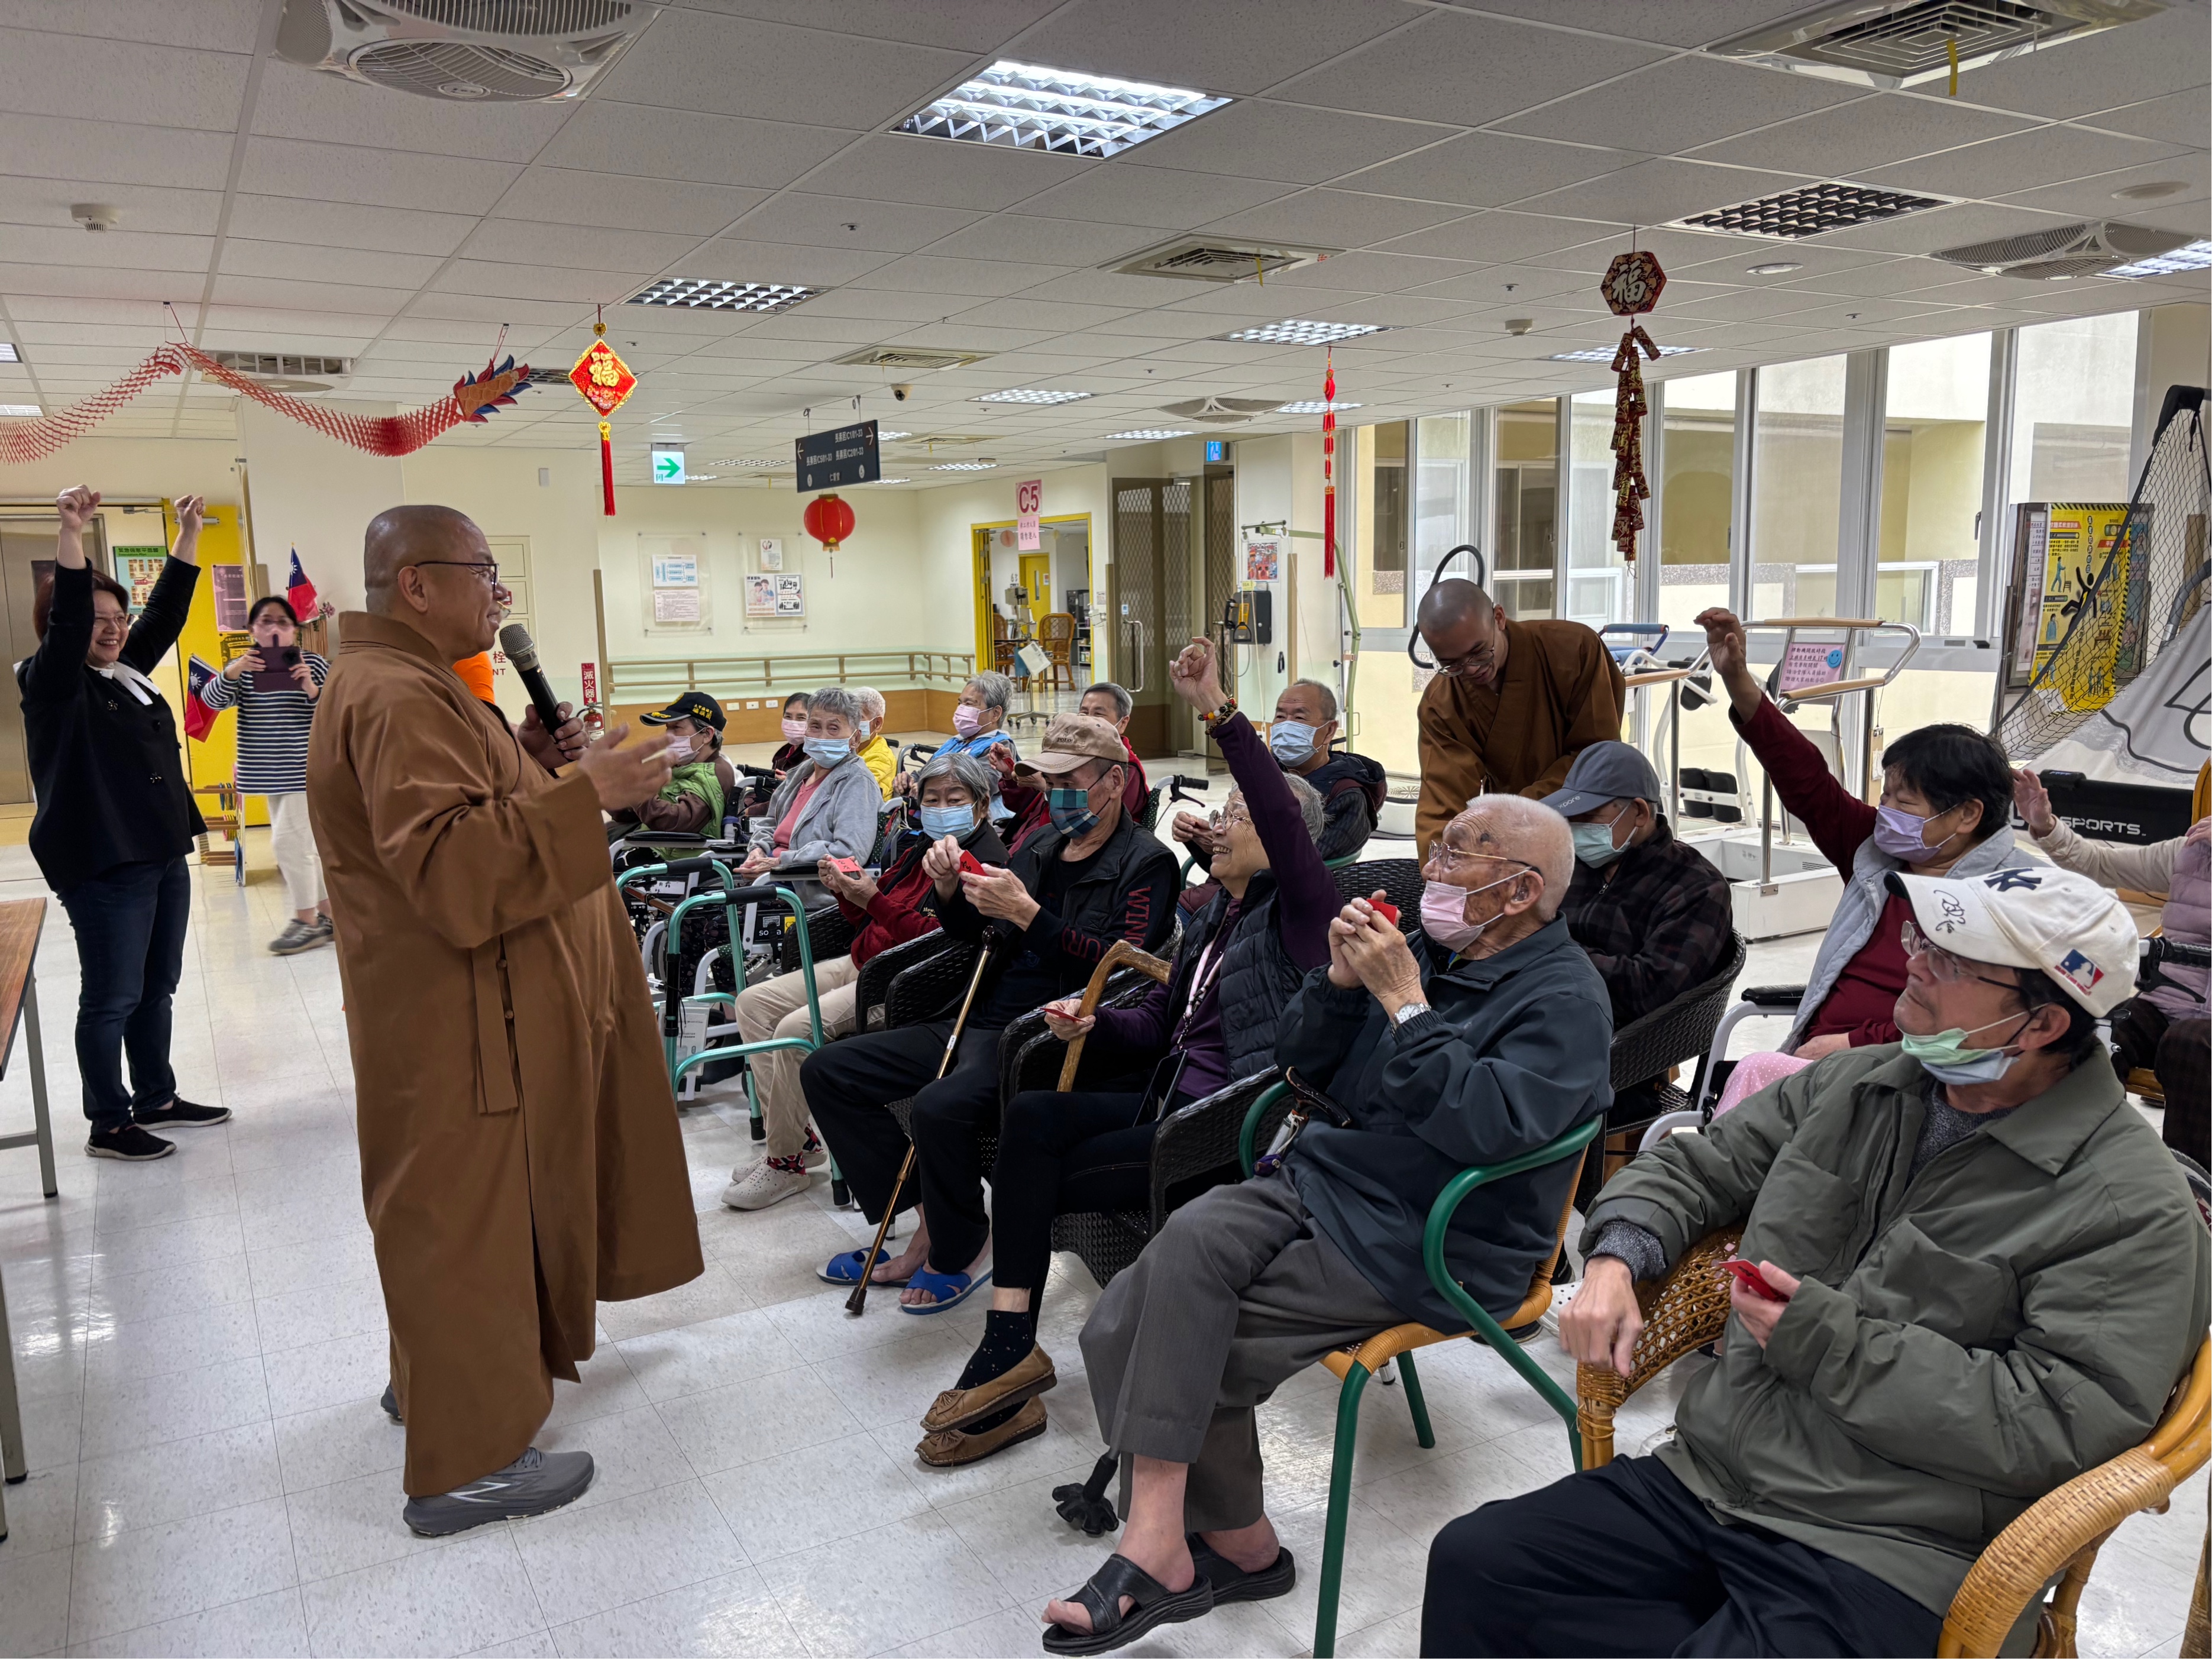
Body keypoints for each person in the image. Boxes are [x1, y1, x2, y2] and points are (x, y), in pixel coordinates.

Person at [1430, 864, 2210, 1659]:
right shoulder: (1860, 1084)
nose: (1914, 962)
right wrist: (1617, 1259)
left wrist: (1829, 1340)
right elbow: (1700, 1166)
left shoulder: (2128, 1206)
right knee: (1483, 1565)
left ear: (2042, 1024)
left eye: (1951, 959)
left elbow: (2063, 1422)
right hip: (1713, 1476)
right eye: (1922, 939)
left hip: (1900, 1545)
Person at [1044, 795, 1612, 1651]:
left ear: (1520, 890)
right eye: (1439, 846)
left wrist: (1408, 1006)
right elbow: (1304, 1066)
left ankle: (1200, 1544)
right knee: (1137, 1295)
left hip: (1433, 1238)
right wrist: (1343, 991)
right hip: (1324, 1177)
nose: (1433, 870)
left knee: (1196, 1342)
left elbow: (1486, 1130)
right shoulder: (1434, 950)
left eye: (1460, 855)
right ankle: (1202, 1542)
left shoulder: (1566, 1000)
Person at [306, 503, 703, 1534]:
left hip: (451, 1015)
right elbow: (451, 869)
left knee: (443, 1219)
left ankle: (432, 1382)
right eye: (483, 571)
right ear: (417, 586)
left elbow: (466, 810)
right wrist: (590, 796)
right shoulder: (396, 694)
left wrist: (531, 758)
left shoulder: (417, 683)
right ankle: (467, 1463)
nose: (501, 593)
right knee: (464, 1225)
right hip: (459, 1024)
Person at [917, 638, 1335, 1469]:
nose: (1218, 825)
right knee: (1030, 1121)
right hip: (1163, 1093)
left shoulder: (1300, 915)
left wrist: (1217, 707)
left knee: (1033, 1188)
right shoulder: (1219, 915)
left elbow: (1280, 815)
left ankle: (1012, 1353)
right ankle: (1013, 1344)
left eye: (1238, 817)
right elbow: (1159, 1025)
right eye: (1221, 814)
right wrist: (1095, 1025)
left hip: (1217, 1129)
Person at [803, 713, 1178, 1312]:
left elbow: (1120, 970)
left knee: (939, 1106)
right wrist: (951, 890)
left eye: (1070, 781)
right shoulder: (1041, 844)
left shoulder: (1146, 863)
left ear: (1111, 782)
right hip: (974, 1012)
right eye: (1049, 782)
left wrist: (1031, 916)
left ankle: (961, 1245)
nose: (1057, 795)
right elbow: (971, 934)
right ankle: (925, 1219)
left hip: (1044, 1032)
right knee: (829, 1070)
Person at [1694, 607, 2036, 1114]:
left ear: (1967, 814)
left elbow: (1989, 1025)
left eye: (1905, 801)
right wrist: (1739, 680)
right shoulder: (1875, 849)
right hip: (1817, 1068)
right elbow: (1805, 779)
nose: (1886, 812)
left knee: (1753, 1088)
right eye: (1887, 794)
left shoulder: (2014, 894)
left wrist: (1857, 1042)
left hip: (1912, 1082)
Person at [24, 487, 228, 1162]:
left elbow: (166, 613)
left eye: (118, 617)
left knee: (157, 984)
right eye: (95, 618)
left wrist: (188, 535)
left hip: (160, 852)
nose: (111, 628)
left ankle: (156, 1096)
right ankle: (108, 1123)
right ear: (63, 626)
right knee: (112, 995)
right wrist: (71, 533)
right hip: (103, 861)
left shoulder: (125, 673)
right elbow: (71, 618)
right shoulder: (53, 683)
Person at [723, 749, 1008, 1211]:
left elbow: (944, 943)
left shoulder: (985, 861)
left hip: (899, 984)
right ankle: (799, 1140)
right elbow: (871, 913)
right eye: (931, 798)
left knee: (795, 1030)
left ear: (979, 804)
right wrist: (849, 893)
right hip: (862, 960)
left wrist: (873, 901)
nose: (940, 807)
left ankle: (785, 1161)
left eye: (953, 797)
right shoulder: (920, 847)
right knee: (755, 1003)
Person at [2014, 765, 2207, 1154]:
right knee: (2091, 1031)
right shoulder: (2192, 850)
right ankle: (2080, 1165)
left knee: (2185, 1044)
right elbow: (2102, 863)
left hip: (2194, 1035)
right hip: (2170, 1003)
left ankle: (2191, 1190)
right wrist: (2046, 824)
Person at [1412, 580, 1625, 857]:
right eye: (1452, 664)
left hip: (1587, 817)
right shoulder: (1441, 703)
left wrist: (1507, 813)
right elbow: (1442, 800)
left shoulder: (1574, 648)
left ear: (1499, 618)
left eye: (1479, 652)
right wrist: (1443, 862)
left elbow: (1596, 756)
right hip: (1505, 836)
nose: (1472, 669)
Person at [198, 594, 332, 955]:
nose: (274, 629)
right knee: (304, 845)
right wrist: (233, 671)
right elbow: (211, 701)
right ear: (251, 629)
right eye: (265, 622)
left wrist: (311, 688)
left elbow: (338, 713)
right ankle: (329, 914)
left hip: (305, 768)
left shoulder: (316, 664)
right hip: (267, 769)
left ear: (296, 631)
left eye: (283, 623)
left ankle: (307, 922)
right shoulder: (243, 667)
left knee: (288, 843)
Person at [1178, 678, 1387, 874]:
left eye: (1299, 718)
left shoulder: (1348, 796)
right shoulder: (1268, 772)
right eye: (1280, 716)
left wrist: (1225, 845)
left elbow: (1299, 868)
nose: (1286, 726)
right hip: (1230, 893)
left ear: (1329, 730)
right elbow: (1226, 871)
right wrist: (1201, 838)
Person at [736, 685, 881, 893]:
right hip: (771, 876)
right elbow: (770, 822)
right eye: (814, 726)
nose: (822, 736)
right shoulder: (801, 772)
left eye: (833, 728)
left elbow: (848, 853)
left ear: (855, 739)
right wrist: (758, 850)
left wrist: (780, 863)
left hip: (805, 888)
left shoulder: (857, 782)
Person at [606, 690, 738, 837]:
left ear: (707, 734)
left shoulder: (712, 775)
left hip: (676, 855)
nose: (668, 735)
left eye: (676, 728)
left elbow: (676, 822)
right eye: (667, 728)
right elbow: (630, 814)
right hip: (655, 843)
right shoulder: (681, 765)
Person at [901, 671, 1018, 808]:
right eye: (960, 703)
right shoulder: (956, 742)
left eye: (969, 704)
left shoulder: (999, 746)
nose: (961, 709)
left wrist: (926, 787)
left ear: (995, 714)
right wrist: (910, 780)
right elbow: (925, 772)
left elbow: (985, 785)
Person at [1080, 680, 1150, 820]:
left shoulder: (1126, 768)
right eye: (1084, 712)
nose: (1088, 720)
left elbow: (1103, 821)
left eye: (1098, 714)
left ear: (1123, 723)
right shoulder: (1072, 752)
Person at [853, 685, 898, 798]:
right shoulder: (853, 747)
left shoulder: (880, 757)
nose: (850, 722)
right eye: (848, 716)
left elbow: (856, 789)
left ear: (877, 723)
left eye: (858, 717)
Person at [770, 691, 809, 778]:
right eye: (788, 717)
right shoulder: (782, 753)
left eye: (801, 718)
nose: (793, 723)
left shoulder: (812, 758)